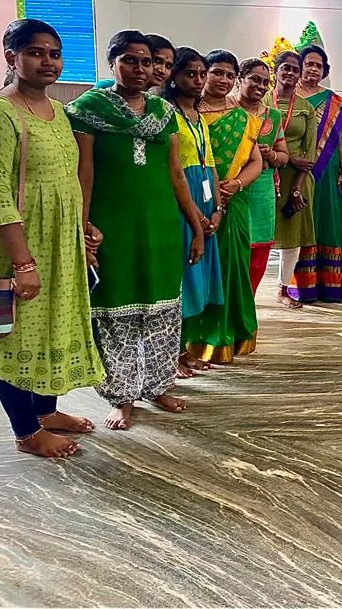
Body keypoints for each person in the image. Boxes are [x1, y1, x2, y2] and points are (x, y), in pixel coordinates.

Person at [0, 19, 105, 457]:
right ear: (12, 57)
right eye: (36, 52)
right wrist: (22, 263)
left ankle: (45, 411)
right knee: (14, 334)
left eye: (54, 54)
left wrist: (81, 227)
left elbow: (66, 180)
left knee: (50, 325)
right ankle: (26, 431)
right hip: (14, 242)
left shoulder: (59, 110)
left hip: (57, 241)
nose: (48, 62)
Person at [67, 30, 200, 430]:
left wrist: (196, 227)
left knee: (163, 311)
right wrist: (82, 228)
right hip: (113, 228)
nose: (140, 69)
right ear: (112, 63)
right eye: (129, 60)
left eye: (147, 61)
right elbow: (84, 175)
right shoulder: (87, 110)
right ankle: (121, 396)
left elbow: (176, 175)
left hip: (161, 226)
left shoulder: (163, 112)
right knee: (115, 312)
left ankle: (158, 386)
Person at [185, 49, 263, 363]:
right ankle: (190, 340)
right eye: (217, 72)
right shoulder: (187, 112)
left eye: (230, 75)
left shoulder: (242, 118)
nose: (224, 80)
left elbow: (256, 161)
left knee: (232, 266)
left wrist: (236, 184)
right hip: (193, 199)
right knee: (195, 268)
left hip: (234, 201)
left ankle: (227, 335)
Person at [162, 48, 224, 377]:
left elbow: (210, 164)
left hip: (205, 197)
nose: (198, 80)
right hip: (182, 201)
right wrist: (196, 217)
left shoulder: (198, 115)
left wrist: (218, 208)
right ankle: (169, 354)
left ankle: (184, 348)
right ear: (174, 76)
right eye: (191, 74)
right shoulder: (167, 113)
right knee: (182, 279)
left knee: (199, 280)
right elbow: (173, 171)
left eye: (202, 73)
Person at [287, 46, 342, 303]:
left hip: (327, 170)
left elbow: (341, 138)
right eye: (309, 63)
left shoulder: (335, 102)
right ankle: (299, 287)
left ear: (325, 70)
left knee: (327, 224)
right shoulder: (288, 96)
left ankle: (328, 286)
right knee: (301, 224)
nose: (314, 69)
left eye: (319, 65)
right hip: (296, 169)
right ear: (300, 66)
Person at [236, 58, 289, 293]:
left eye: (265, 82)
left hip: (262, 189)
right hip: (231, 187)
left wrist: (271, 155)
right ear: (240, 79)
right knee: (232, 249)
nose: (260, 86)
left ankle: (248, 304)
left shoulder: (272, 116)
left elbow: (284, 156)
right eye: (255, 79)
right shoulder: (224, 109)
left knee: (257, 257)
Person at [270, 50, 316, 308]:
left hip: (295, 179)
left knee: (292, 238)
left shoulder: (305, 109)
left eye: (294, 69)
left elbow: (308, 152)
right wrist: (284, 158)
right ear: (276, 71)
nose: (289, 73)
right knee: (257, 234)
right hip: (263, 174)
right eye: (285, 67)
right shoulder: (263, 100)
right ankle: (247, 289)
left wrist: (297, 188)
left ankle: (283, 289)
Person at [95, 33, 174, 92]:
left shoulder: (159, 103)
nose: (162, 71)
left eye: (168, 66)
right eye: (157, 61)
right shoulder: (103, 90)